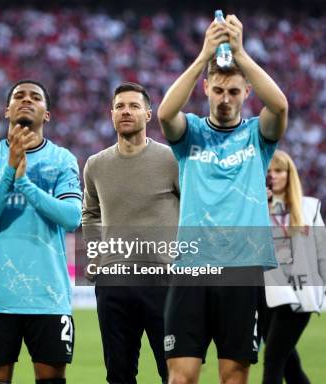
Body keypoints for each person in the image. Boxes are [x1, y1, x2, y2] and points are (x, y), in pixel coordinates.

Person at [157, 13, 288, 384]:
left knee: (234, 376)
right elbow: (166, 113)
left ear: (247, 92)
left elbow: (279, 107)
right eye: (218, 90)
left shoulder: (257, 136)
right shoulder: (191, 134)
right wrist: (203, 57)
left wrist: (241, 54)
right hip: (192, 268)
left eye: (234, 91)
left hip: (242, 268)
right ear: (206, 89)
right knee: (181, 377)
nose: (226, 99)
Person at [0, 80, 82, 384]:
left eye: (36, 97)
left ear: (46, 114)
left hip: (48, 297)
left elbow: (72, 218)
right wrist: (10, 171)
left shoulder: (62, 160)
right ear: (7, 110)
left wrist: (25, 184)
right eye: (19, 96)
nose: (27, 100)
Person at [82, 82, 179, 384]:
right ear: (111, 113)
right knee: (119, 374)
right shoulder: (95, 165)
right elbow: (91, 213)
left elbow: (193, 211)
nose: (126, 111)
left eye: (134, 106)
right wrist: (95, 256)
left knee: (174, 371)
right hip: (114, 282)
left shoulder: (172, 159)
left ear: (148, 114)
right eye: (120, 106)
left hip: (163, 279)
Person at [262, 149, 325, 384]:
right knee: (290, 366)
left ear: (290, 174)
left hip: (299, 296)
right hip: (268, 294)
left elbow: (323, 252)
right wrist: (258, 202)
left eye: (279, 171)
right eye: (269, 172)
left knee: (273, 361)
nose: (274, 176)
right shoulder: (257, 208)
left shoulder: (308, 208)